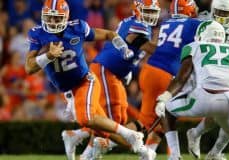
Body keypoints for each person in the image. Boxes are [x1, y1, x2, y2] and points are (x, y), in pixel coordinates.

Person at [25, 0, 156, 160]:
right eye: (49, 17)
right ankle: (143, 150)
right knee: (105, 129)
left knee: (86, 118)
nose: (52, 22)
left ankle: (127, 136)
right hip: (68, 91)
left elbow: (109, 34)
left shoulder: (77, 27)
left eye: (57, 18)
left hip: (85, 81)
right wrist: (48, 56)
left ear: (65, 17)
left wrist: (122, 48)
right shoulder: (37, 34)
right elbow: (29, 68)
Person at [155, 20, 229, 160]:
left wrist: (164, 98)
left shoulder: (194, 47)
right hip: (227, 99)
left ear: (202, 34)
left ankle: (175, 156)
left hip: (202, 98)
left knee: (167, 110)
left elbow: (181, 79)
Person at [125, 0, 200, 153]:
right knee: (151, 121)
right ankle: (105, 141)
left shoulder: (166, 23)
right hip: (165, 74)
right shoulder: (194, 24)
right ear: (190, 10)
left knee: (160, 119)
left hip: (150, 70)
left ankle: (148, 153)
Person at [188, 0, 229, 159]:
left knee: (223, 113)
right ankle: (214, 152)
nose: (223, 16)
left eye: (227, 13)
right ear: (213, 8)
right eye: (220, 11)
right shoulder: (203, 21)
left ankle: (201, 140)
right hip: (208, 72)